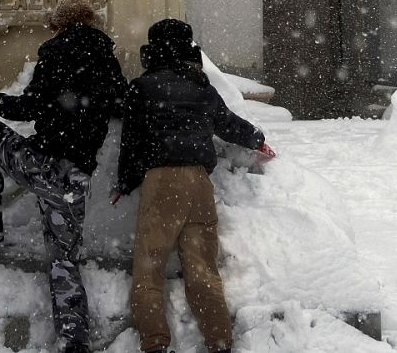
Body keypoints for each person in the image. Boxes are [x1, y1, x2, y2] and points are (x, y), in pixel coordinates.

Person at [0, 0, 128, 353]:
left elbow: (27, 108)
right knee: (64, 261)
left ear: (59, 24)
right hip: (75, 178)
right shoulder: (108, 61)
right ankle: (73, 341)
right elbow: (122, 104)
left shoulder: (54, 53)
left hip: (41, 163)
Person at [112, 19, 276, 353]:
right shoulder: (203, 88)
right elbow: (230, 125)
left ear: (153, 50)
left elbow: (131, 143)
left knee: (149, 267)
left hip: (161, 182)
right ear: (188, 49)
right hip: (199, 183)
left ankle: (156, 343)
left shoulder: (142, 88)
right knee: (203, 269)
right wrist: (257, 139)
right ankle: (219, 341)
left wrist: (125, 182)